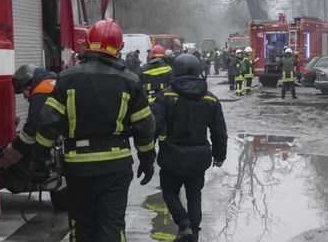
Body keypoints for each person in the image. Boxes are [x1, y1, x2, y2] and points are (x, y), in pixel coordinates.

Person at [33, 19, 156, 242]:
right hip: (116, 168)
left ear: (88, 44)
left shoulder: (66, 78)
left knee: (82, 228)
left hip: (78, 167)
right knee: (112, 228)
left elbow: (47, 123)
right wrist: (147, 158)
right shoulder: (130, 81)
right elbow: (144, 126)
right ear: (119, 48)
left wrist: (40, 160)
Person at [153, 53, 228, 242]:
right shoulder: (211, 99)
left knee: (170, 192)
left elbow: (154, 126)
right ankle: (193, 232)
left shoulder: (165, 96)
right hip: (199, 158)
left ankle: (183, 224)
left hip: (171, 156)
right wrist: (220, 155)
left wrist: (146, 151)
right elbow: (219, 131)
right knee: (194, 195)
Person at [0, 65, 57, 180]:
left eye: (22, 92)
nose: (25, 97)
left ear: (28, 86)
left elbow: (32, 128)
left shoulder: (41, 91)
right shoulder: (52, 80)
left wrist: (14, 149)